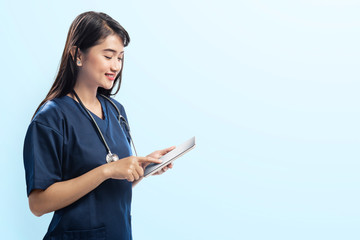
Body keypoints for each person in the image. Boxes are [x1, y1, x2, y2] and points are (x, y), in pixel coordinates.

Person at [23, 11, 175, 240]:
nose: (116, 66)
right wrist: (107, 171)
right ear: (78, 55)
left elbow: (108, 188)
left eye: (120, 57)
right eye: (108, 56)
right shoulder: (51, 118)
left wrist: (141, 169)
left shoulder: (116, 111)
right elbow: (38, 203)